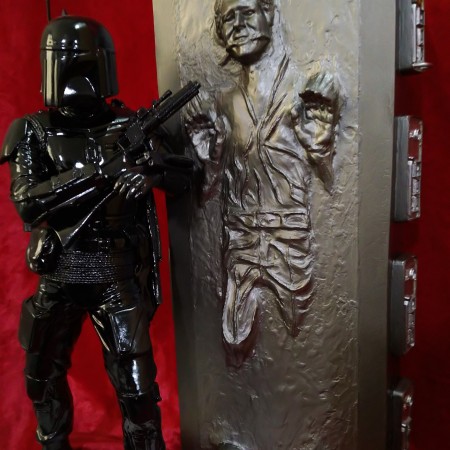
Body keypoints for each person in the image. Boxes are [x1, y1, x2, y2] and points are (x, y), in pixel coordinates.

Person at [1, 15, 189, 450]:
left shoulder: (130, 126)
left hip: (116, 275)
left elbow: (185, 175)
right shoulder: (31, 131)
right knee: (40, 379)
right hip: (60, 273)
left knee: (139, 395)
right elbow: (27, 202)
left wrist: (150, 175)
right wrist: (95, 173)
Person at [186, 0, 342, 360]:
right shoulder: (222, 104)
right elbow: (205, 196)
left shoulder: (307, 95)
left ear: (269, 13)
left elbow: (337, 188)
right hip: (240, 240)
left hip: (291, 239)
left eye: (246, 12)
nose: (238, 25)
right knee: (233, 342)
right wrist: (209, 162)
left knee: (305, 342)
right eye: (228, 18)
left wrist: (321, 150)